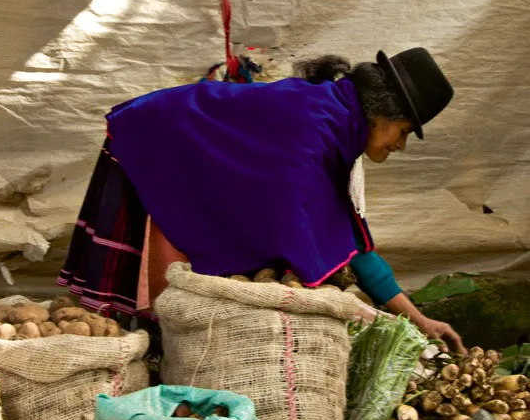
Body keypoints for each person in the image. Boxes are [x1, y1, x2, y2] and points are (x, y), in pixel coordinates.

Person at [58, 46, 465, 353]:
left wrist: (417, 319)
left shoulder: (337, 124)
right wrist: (362, 314)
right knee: (154, 300)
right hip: (157, 141)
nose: (401, 146)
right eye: (406, 132)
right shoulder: (315, 128)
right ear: (383, 116)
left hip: (179, 144)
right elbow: (294, 235)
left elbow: (344, 238)